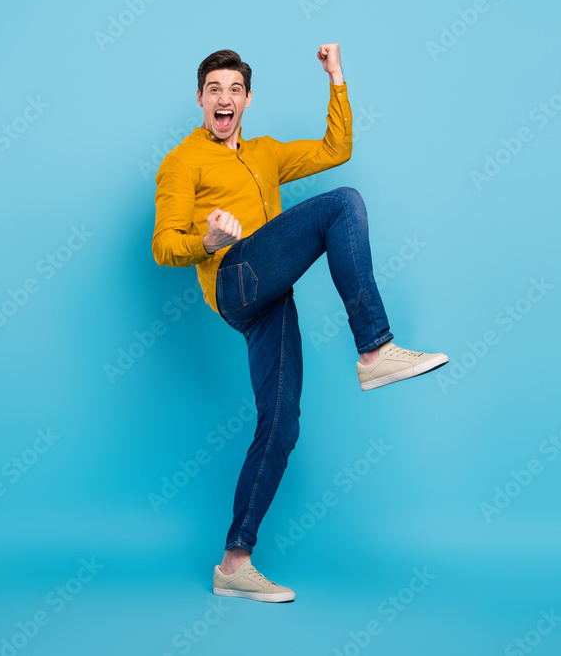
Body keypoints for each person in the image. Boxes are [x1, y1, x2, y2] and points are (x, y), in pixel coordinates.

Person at [151, 45, 448, 603]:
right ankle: (375, 351)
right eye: (214, 89)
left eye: (234, 90)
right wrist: (206, 242)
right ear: (200, 98)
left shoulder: (265, 153)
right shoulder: (182, 161)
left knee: (281, 424)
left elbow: (339, 147)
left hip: (270, 297)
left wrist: (336, 78)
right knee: (343, 205)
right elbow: (163, 243)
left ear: (247, 100)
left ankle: (234, 563)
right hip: (233, 278)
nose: (224, 98)